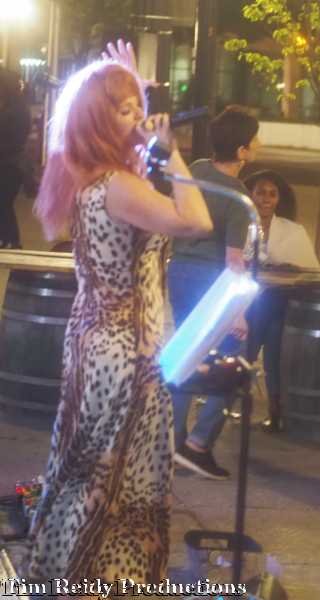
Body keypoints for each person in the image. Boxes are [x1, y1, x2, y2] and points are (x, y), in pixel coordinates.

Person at [28, 57, 211, 583]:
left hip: (95, 343)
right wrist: (174, 154)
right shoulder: (118, 186)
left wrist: (133, 99)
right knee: (120, 479)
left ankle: (65, 572)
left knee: (86, 469)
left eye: (138, 108)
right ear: (98, 121)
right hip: (130, 352)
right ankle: (101, 582)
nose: (138, 119)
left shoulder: (83, 174)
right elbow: (196, 220)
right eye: (125, 111)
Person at [168, 105, 260, 480]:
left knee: (186, 357)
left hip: (179, 271)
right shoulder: (238, 197)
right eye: (254, 140)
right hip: (210, 280)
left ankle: (171, 442)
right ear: (242, 151)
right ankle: (199, 444)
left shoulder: (197, 170)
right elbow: (234, 260)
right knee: (235, 363)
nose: (258, 145)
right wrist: (239, 313)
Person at [244, 169, 319, 432]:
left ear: (279, 199)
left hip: (279, 304)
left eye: (272, 194)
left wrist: (285, 267)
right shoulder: (239, 225)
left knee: (274, 358)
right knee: (243, 356)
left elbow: (308, 268)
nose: (266, 199)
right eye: (260, 193)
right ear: (250, 195)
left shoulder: (292, 230)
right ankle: (226, 407)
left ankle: (276, 413)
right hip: (247, 305)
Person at [0, 67, 32, 248]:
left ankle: (12, 242)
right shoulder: (16, 107)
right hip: (10, 165)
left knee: (3, 205)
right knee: (4, 206)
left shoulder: (14, 111)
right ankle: (9, 241)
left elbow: (11, 141)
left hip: (9, 166)